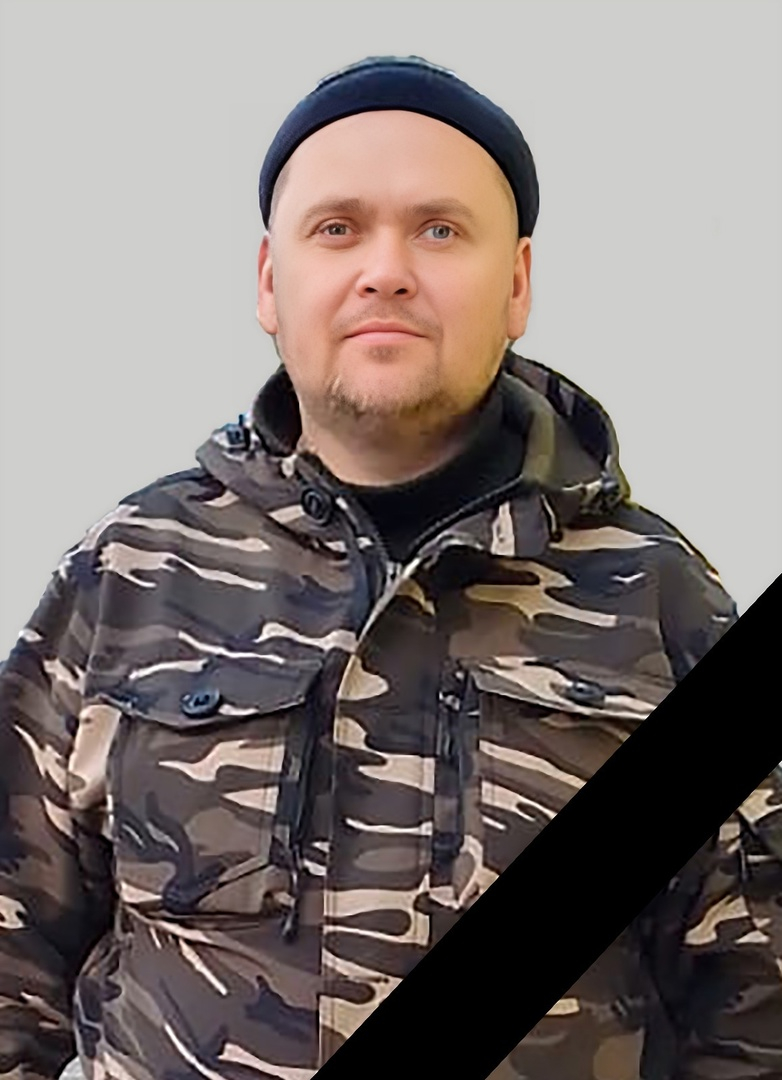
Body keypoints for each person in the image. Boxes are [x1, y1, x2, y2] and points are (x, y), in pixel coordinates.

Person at [0, 53, 779, 1080]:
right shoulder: (129, 572)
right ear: (270, 281)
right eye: (337, 228)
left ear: (517, 285)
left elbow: (755, 1007)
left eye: (439, 230)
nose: (385, 270)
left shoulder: (659, 600)